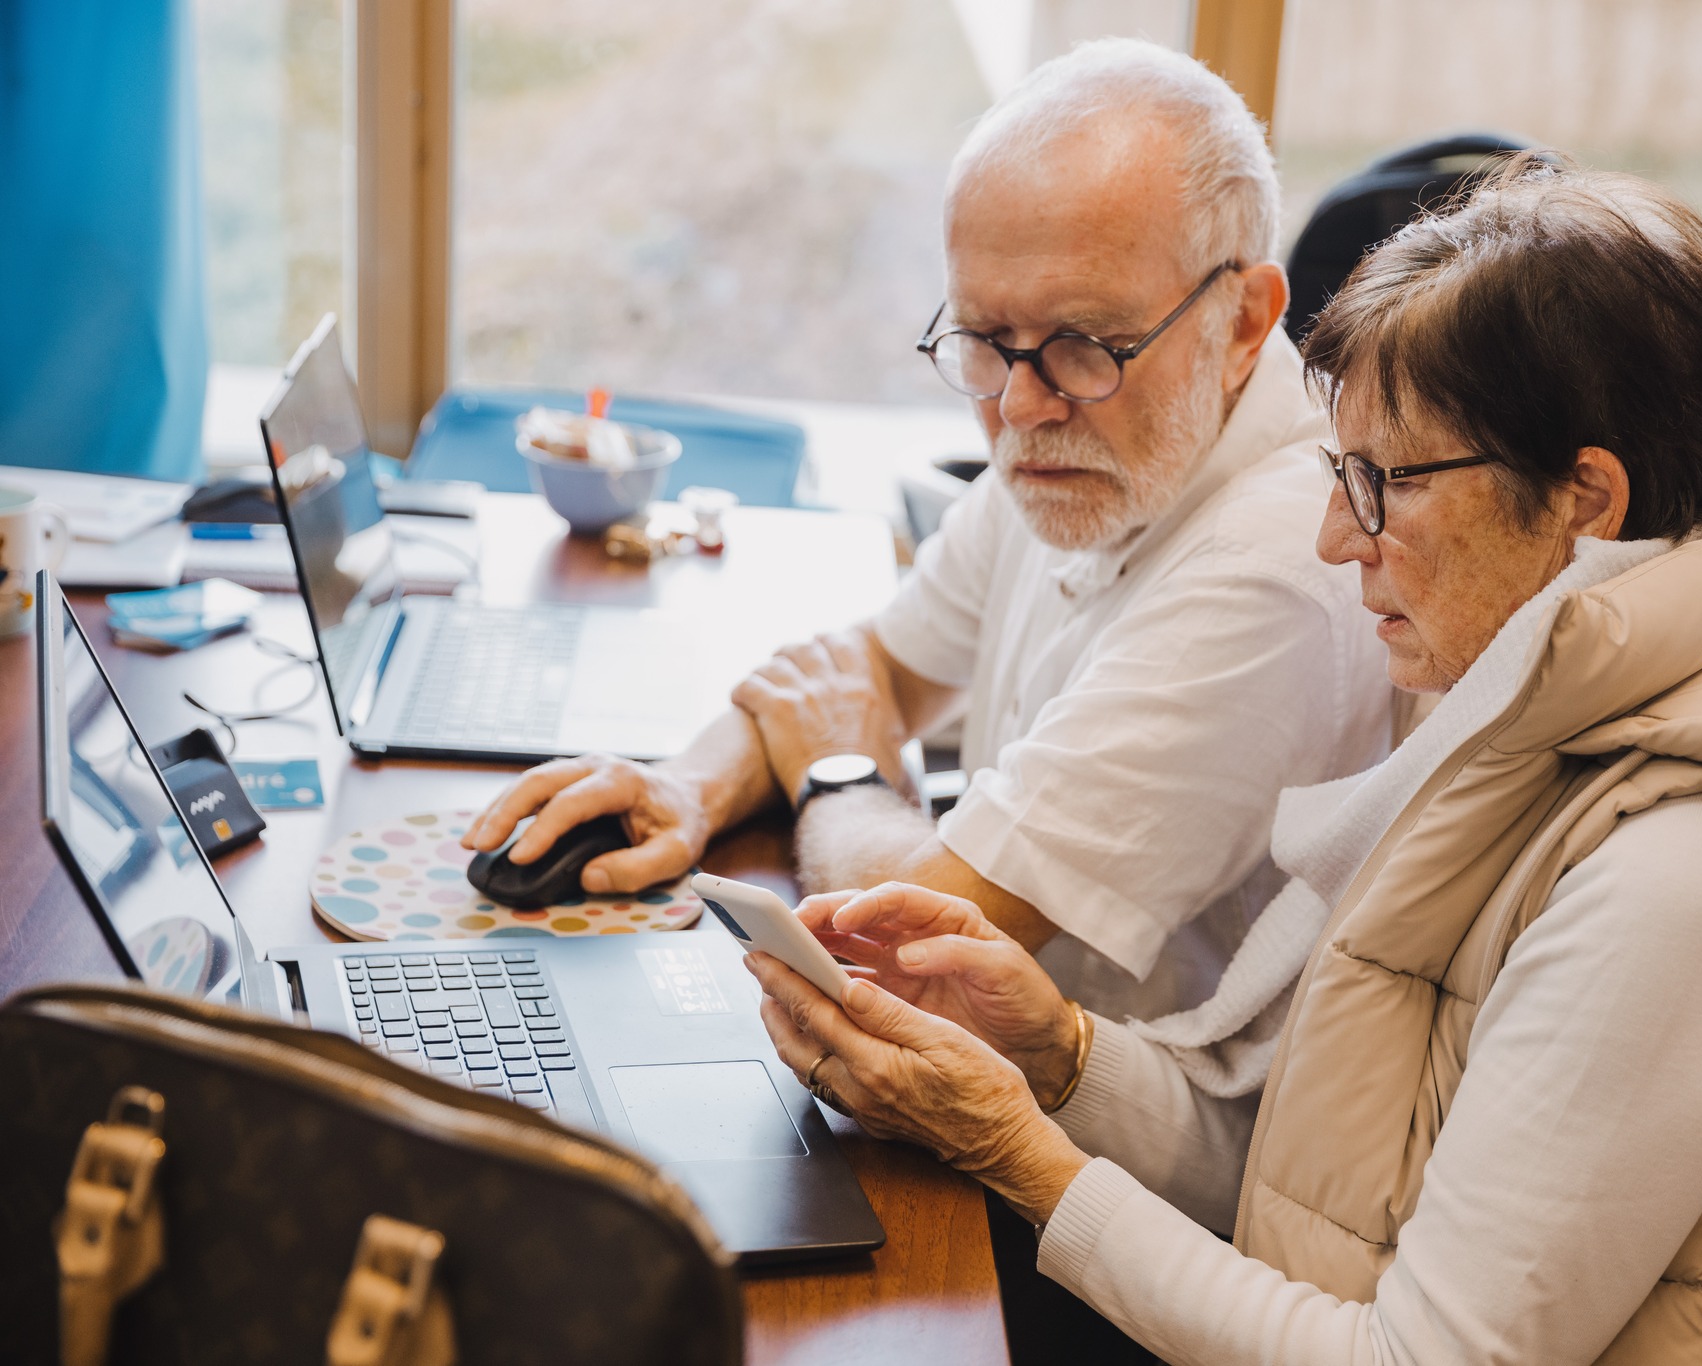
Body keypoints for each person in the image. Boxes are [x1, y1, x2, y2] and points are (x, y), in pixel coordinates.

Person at [743, 158, 1702, 1364]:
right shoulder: (1513, 725)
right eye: (1337, 473)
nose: (1333, 537)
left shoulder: (1701, 875)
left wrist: (1019, 1154)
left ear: (1584, 504)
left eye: (1383, 482)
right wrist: (1055, 1054)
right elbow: (1320, 1194)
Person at [462, 38, 1392, 1210]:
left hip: (1136, 1198)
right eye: (982, 340)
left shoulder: (1281, 566)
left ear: (1246, 318)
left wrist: (837, 770)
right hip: (994, 1097)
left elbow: (904, 947)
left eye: (1082, 344)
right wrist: (689, 785)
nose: (1019, 407)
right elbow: (872, 666)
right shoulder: (1080, 429)